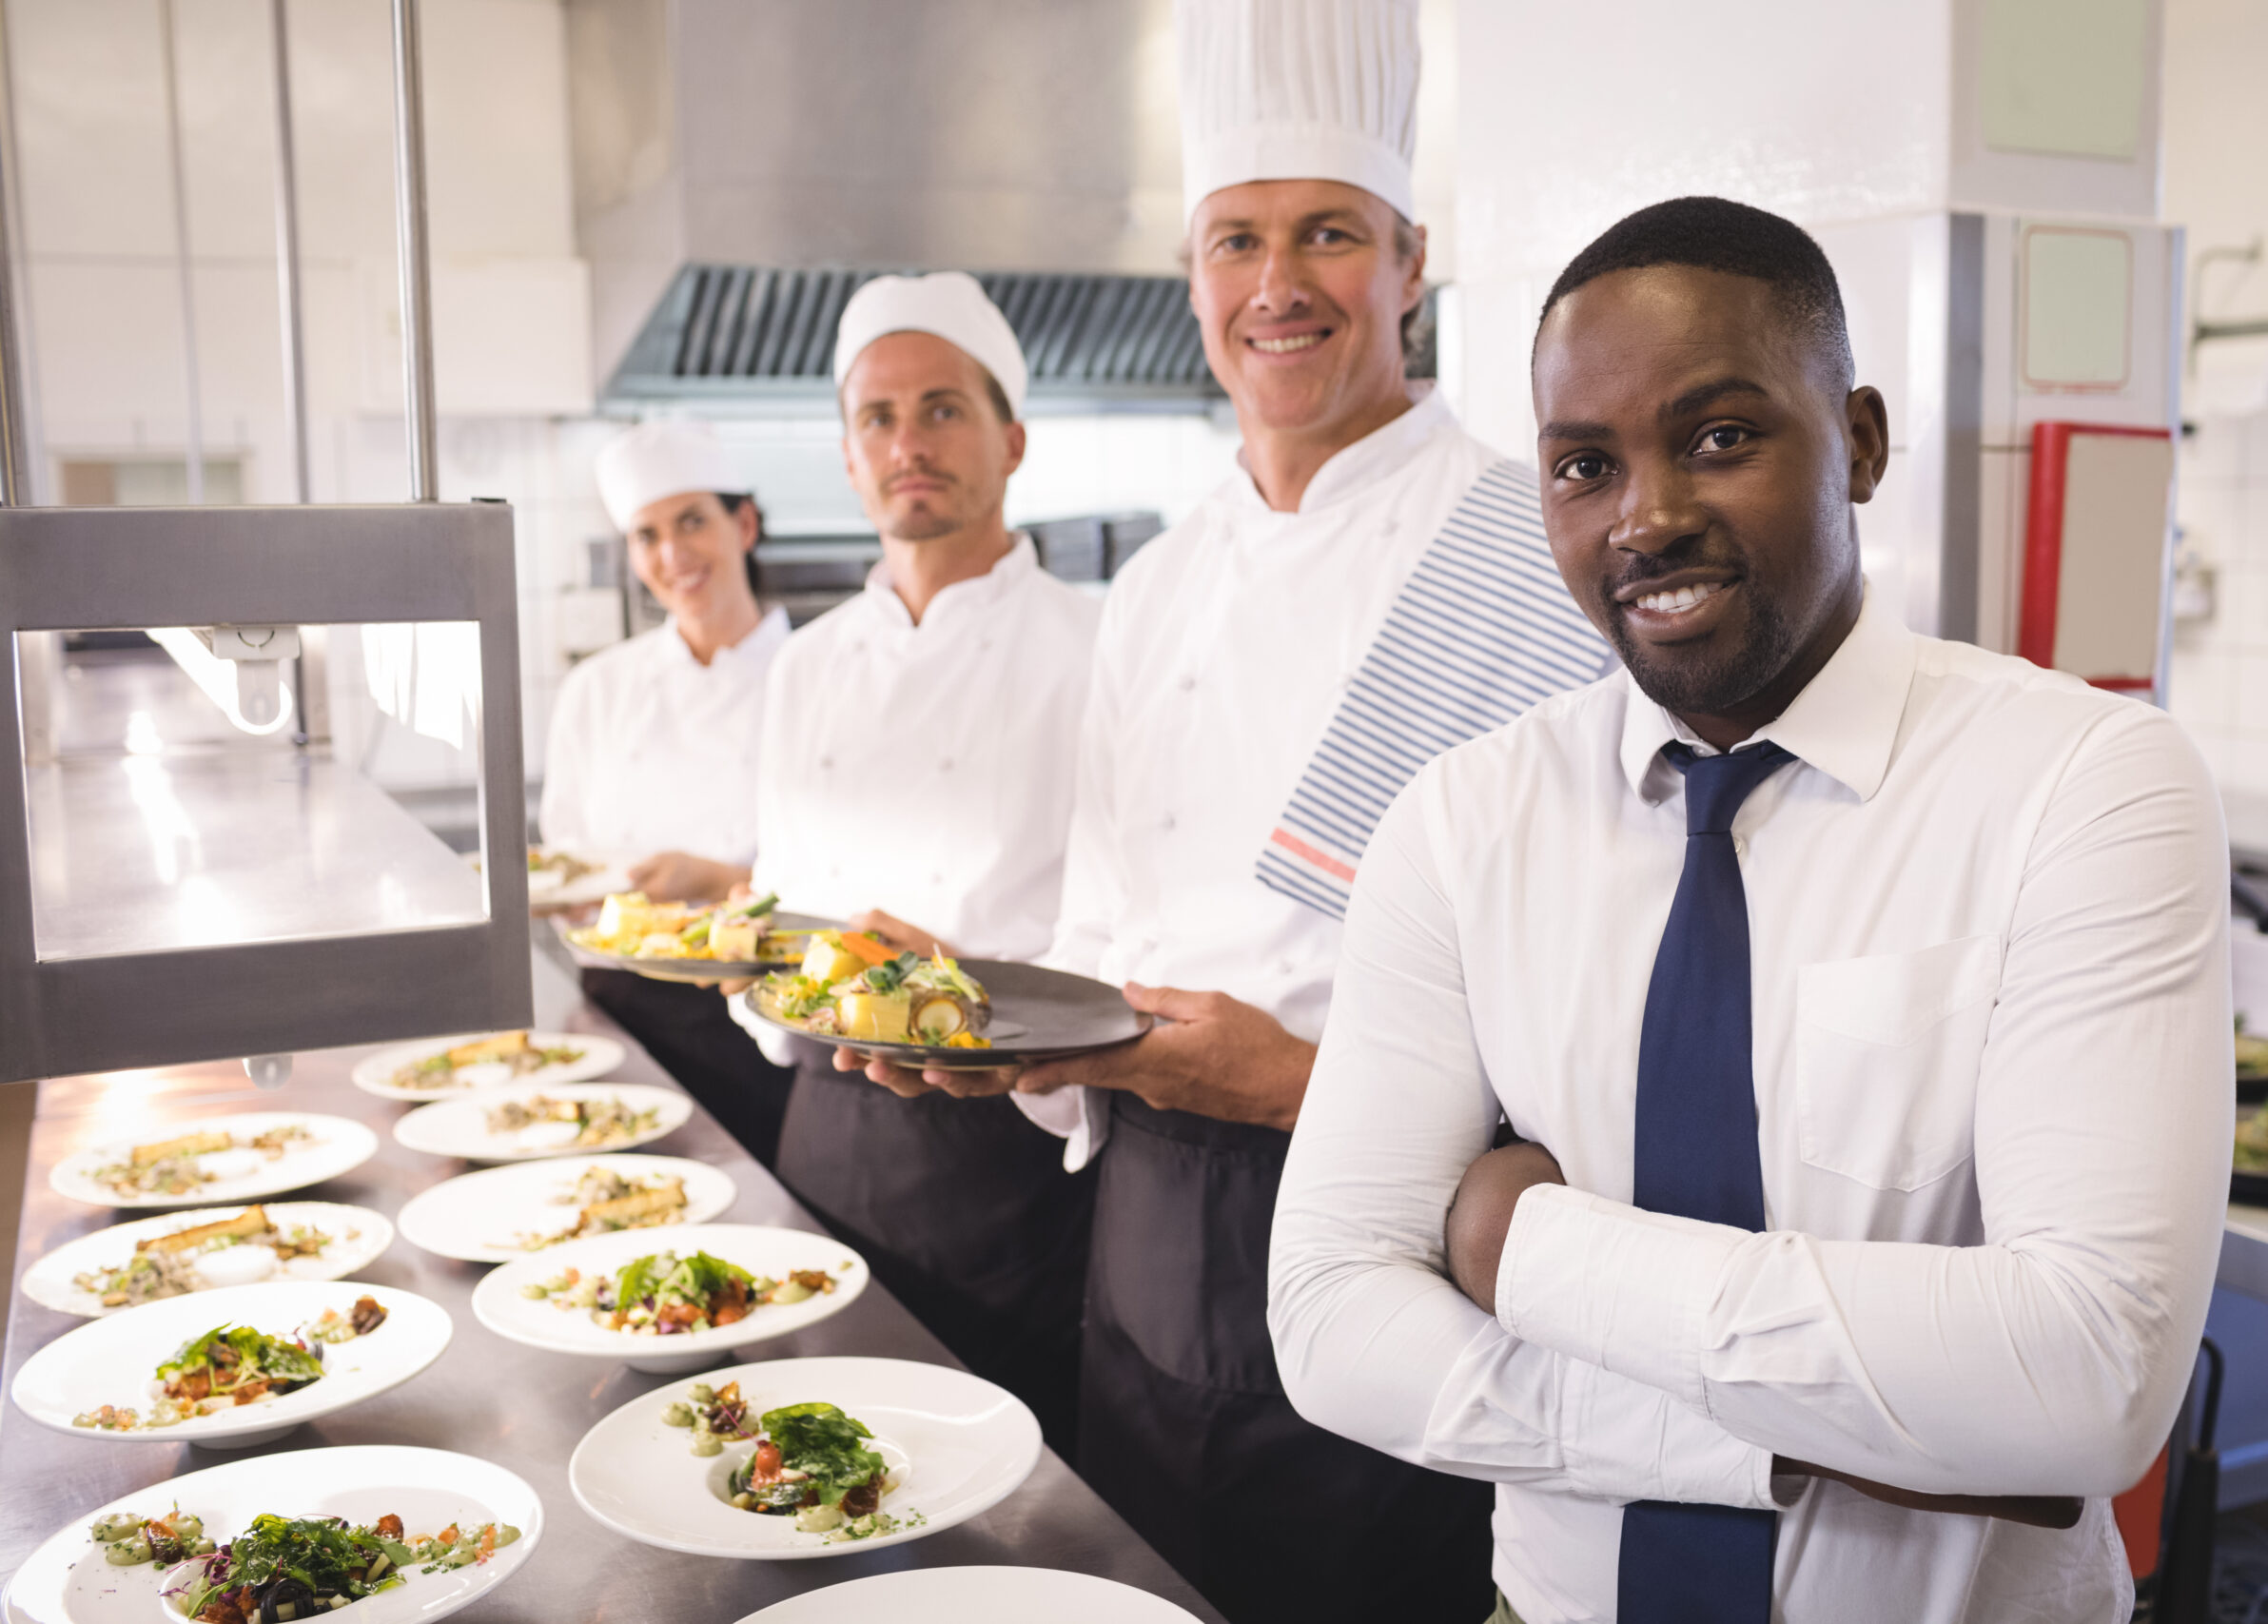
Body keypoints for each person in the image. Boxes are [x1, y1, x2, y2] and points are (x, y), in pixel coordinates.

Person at [1268, 196, 2230, 1624]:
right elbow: (1333, 1320)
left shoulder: (2086, 785)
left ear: (1858, 439)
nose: (1646, 516)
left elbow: (2087, 1378)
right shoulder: (1462, 822)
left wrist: (1518, 1246)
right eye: (1584, 465)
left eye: (1721, 437)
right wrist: (1762, 1445)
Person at [831, 4, 1615, 1618]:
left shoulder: (1524, 549)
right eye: (1237, 239)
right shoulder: (1163, 582)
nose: (1280, 284)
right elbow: (1104, 934)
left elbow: (1591, 1016)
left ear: (1408, 261)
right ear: (1193, 281)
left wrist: (1295, 1085)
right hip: (1140, 1226)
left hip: (1394, 1223)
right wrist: (981, 1010)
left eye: (1329, 233)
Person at [732, 272, 1103, 1458]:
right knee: (809, 1464)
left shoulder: (1098, 648)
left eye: (941, 408)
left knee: (994, 1494)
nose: (908, 444)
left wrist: (956, 981)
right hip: (820, 1132)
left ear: (1012, 438)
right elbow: (773, 905)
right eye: (877, 420)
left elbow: (1126, 941)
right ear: (848, 460)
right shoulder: (807, 663)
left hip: (1007, 1153)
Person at [542, 419, 796, 1155]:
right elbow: (565, 866)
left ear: (743, 523)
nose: (672, 554)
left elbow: (855, 882)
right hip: (619, 1017)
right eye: (646, 534)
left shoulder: (815, 676)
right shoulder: (597, 688)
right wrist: (585, 899)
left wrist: (717, 880)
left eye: (692, 521)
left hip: (766, 1017)